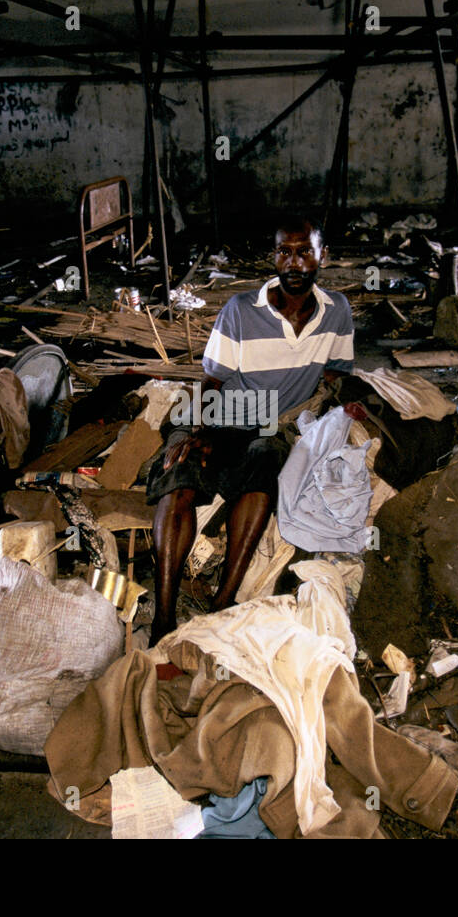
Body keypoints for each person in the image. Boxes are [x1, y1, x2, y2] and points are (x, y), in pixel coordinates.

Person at [145, 216, 355, 643]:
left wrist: (329, 409)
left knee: (266, 461)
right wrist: (196, 430)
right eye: (284, 251)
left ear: (322, 256)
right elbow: (212, 384)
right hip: (223, 416)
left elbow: (335, 373)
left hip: (270, 427)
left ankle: (223, 603)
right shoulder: (240, 311)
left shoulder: (337, 313)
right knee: (180, 475)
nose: (294, 262)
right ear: (273, 256)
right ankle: (163, 617)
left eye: (304, 251)